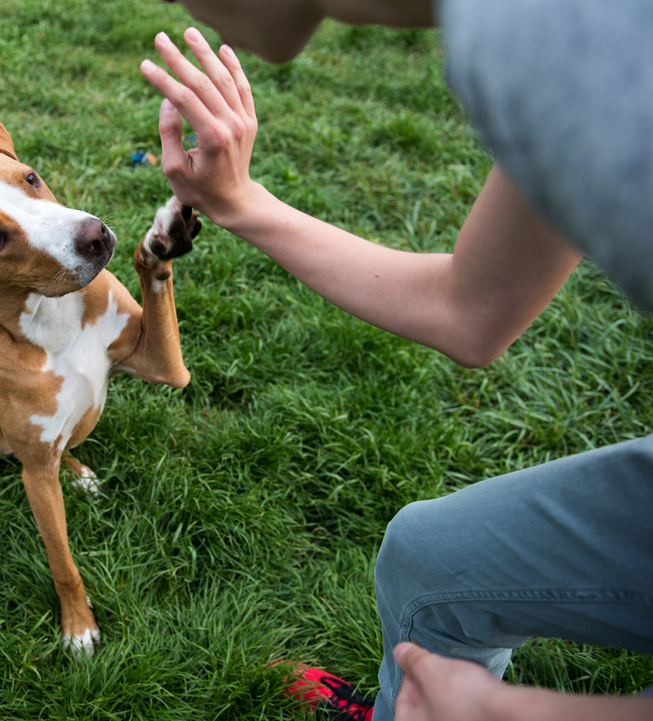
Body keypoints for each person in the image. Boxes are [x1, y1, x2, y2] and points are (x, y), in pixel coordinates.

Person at [138, 0, 653, 719]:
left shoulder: (590, 34)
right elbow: (473, 311)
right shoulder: (572, 35)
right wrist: (237, 202)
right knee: (432, 558)